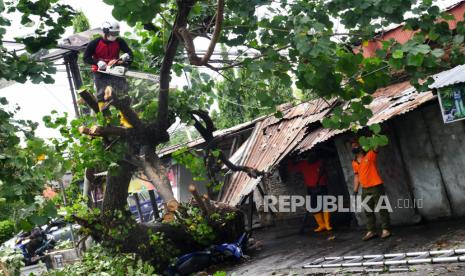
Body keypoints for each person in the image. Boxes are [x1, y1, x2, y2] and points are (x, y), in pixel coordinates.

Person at [83, 21, 133, 127]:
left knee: (123, 93)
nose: (114, 36)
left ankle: (125, 119)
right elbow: (86, 58)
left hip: (114, 70)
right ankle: (108, 121)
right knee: (102, 95)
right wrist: (97, 62)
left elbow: (130, 53)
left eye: (116, 33)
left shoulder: (119, 41)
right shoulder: (95, 43)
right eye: (112, 33)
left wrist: (124, 58)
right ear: (105, 32)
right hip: (100, 72)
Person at [351, 140, 391, 241]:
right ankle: (371, 231)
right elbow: (357, 176)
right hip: (365, 188)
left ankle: (386, 229)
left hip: (376, 185)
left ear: (360, 147)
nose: (354, 148)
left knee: (382, 208)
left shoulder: (369, 155)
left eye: (356, 146)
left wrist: (376, 137)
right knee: (368, 210)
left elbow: (376, 147)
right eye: (352, 146)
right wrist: (355, 190)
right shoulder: (354, 162)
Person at [288, 152, 332, 232]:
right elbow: (292, 168)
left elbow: (325, 171)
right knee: (314, 207)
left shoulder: (320, 162)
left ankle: (327, 224)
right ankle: (321, 225)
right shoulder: (303, 164)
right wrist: (291, 160)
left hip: (321, 186)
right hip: (311, 188)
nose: (311, 158)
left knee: (325, 205)